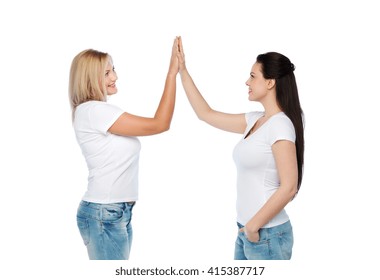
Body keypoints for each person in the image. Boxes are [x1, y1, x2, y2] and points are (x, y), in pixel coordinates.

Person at [176, 37, 304, 260]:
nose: (247, 82)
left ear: (270, 83)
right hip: (248, 231)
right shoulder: (256, 120)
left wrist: (254, 225)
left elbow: (289, 186)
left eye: (253, 76)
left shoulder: (280, 125)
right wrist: (183, 71)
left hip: (267, 234)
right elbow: (206, 114)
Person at [68, 37, 179, 260]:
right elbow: (160, 124)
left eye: (113, 70)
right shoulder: (95, 111)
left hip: (114, 212)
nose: (115, 77)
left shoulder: (93, 112)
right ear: (91, 78)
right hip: (104, 213)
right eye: (107, 73)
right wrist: (171, 74)